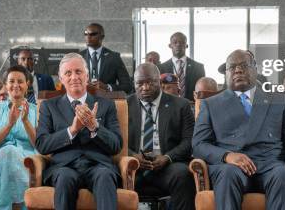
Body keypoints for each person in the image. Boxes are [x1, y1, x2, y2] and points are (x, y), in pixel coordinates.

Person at [192, 50, 285, 210]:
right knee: (227, 175)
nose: (238, 70)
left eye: (244, 66)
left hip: (271, 165)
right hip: (231, 167)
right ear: (226, 73)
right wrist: (227, 156)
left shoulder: (280, 99)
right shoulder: (210, 104)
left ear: (256, 69)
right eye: (232, 67)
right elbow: (199, 144)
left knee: (283, 174)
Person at [35, 52, 122, 210]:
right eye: (68, 73)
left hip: (99, 165)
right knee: (65, 178)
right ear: (61, 80)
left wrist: (94, 127)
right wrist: (72, 130)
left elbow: (116, 146)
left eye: (78, 72)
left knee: (104, 176)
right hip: (63, 167)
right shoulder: (49, 106)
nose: (74, 77)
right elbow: (42, 144)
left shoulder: (106, 105)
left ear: (87, 76)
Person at [128, 63, 196, 210]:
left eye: (150, 82)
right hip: (134, 166)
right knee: (112, 174)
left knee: (184, 176)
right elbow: (117, 141)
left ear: (159, 82)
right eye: (140, 83)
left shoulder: (181, 105)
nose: (145, 87)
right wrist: (132, 156)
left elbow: (189, 140)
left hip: (168, 165)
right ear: (134, 84)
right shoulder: (124, 106)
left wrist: (167, 157)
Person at [0, 65, 37, 210]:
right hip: (0, 157)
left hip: (27, 157)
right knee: (9, 151)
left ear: (27, 84)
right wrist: (10, 124)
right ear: (5, 85)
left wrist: (25, 121)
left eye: (20, 81)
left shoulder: (36, 110)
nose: (16, 85)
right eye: (11, 81)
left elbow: (39, 144)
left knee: (12, 153)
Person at [78, 23, 132, 93]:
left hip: (107, 101)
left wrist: (107, 87)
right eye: (86, 34)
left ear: (102, 37)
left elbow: (127, 86)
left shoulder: (114, 57)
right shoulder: (78, 57)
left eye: (93, 34)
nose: (88, 37)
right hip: (83, 101)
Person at [157, 32, 205, 101]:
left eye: (182, 42)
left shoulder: (198, 67)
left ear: (186, 45)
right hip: (169, 105)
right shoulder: (161, 68)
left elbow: (201, 92)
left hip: (191, 106)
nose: (178, 44)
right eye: (175, 42)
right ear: (170, 45)